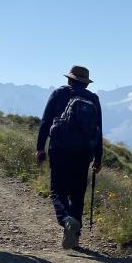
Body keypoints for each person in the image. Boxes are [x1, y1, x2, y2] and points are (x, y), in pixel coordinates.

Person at [36, 65, 103, 249]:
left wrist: (40, 148)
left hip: (59, 150)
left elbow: (45, 122)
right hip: (83, 153)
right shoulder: (93, 99)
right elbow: (98, 130)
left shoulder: (59, 94)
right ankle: (74, 238)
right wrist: (98, 158)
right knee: (77, 194)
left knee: (58, 190)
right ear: (86, 84)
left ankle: (66, 219)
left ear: (69, 79)